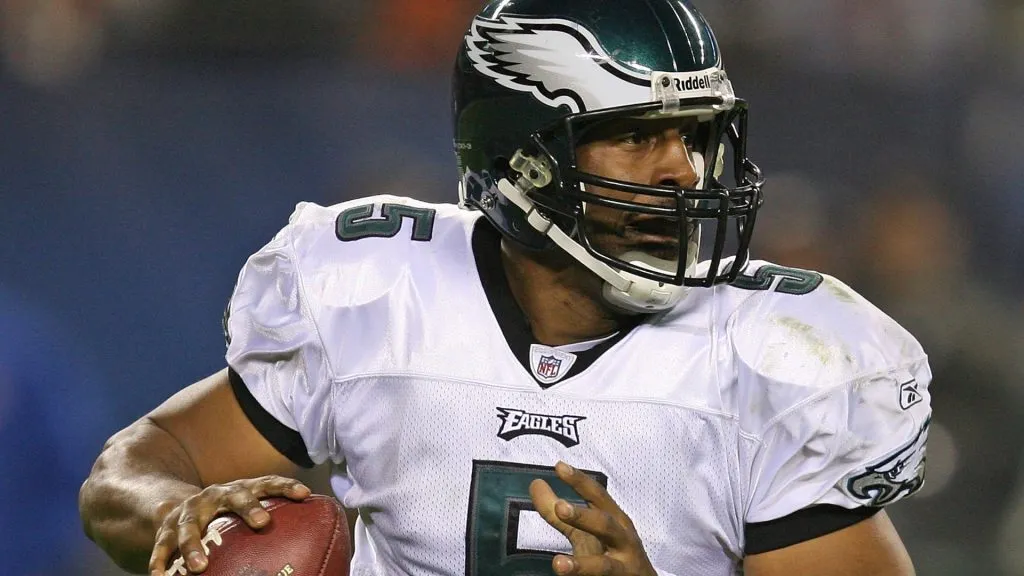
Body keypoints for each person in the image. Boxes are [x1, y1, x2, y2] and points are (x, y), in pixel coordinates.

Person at [79, 1, 932, 575]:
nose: (683, 171)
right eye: (638, 139)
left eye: (695, 136)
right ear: (522, 155)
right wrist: (180, 517)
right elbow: (136, 466)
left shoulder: (778, 356)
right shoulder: (380, 295)